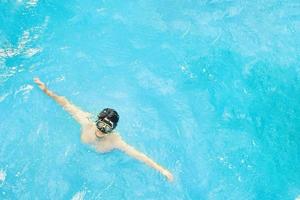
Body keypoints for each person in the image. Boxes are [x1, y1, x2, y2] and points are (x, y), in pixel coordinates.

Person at [33, 78, 174, 182]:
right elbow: (65, 103)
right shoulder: (86, 123)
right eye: (101, 124)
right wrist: (46, 90)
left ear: (112, 130)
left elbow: (139, 155)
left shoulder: (115, 141)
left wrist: (161, 170)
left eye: (107, 128)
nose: (102, 130)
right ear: (97, 120)